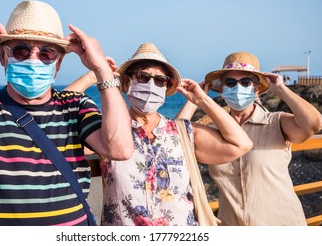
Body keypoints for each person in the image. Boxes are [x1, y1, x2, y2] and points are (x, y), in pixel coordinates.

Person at [0, 0, 133, 226]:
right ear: (3, 57)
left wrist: (101, 69)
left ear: (57, 64)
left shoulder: (75, 106)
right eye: (21, 50)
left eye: (46, 53)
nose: (32, 59)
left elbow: (120, 148)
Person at [99, 43, 253, 226]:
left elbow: (241, 144)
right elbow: (56, 130)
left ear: (166, 86)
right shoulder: (108, 130)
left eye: (160, 80)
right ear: (126, 82)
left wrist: (202, 100)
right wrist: (97, 74)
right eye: (143, 77)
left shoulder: (182, 132)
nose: (151, 84)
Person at [178, 51, 322, 225]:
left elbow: (315, 123)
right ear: (223, 88)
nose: (237, 88)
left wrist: (281, 90)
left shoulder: (276, 123)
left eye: (246, 82)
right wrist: (194, 100)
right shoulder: (212, 131)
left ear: (256, 89)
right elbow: (176, 136)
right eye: (230, 83)